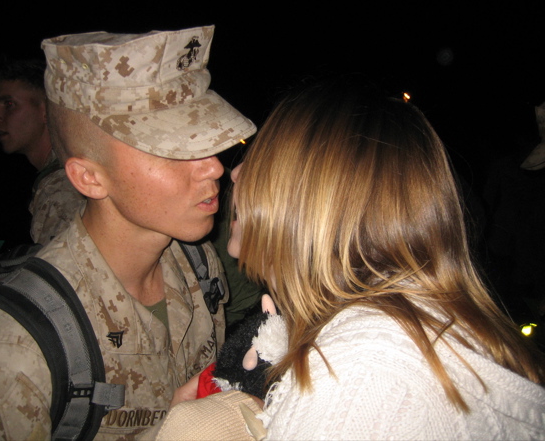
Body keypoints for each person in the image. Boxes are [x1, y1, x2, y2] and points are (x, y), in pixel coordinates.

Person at [155, 77, 545, 440]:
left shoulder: (358, 379)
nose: (235, 173)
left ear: (318, 199)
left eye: (266, 162)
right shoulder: (397, 326)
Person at [0, 26, 256, 439]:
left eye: (203, 139)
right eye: (169, 148)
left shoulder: (196, 264)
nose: (214, 167)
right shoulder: (11, 357)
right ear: (90, 178)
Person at [0, 56, 84, 245]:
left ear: (46, 110)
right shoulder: (70, 167)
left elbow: (65, 273)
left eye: (8, 104)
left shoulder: (60, 185)